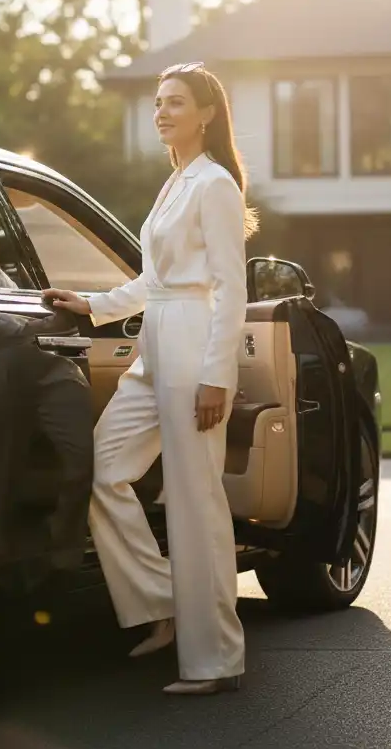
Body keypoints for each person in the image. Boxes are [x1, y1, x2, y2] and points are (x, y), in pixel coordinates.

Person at [43, 61, 257, 696]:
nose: (162, 111)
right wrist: (94, 304)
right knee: (103, 470)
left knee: (195, 502)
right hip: (155, 344)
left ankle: (216, 657)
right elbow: (156, 282)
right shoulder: (175, 183)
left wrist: (218, 374)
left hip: (194, 346)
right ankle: (163, 601)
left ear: (207, 114)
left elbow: (230, 286)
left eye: (176, 102)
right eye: (159, 102)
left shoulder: (214, 184)